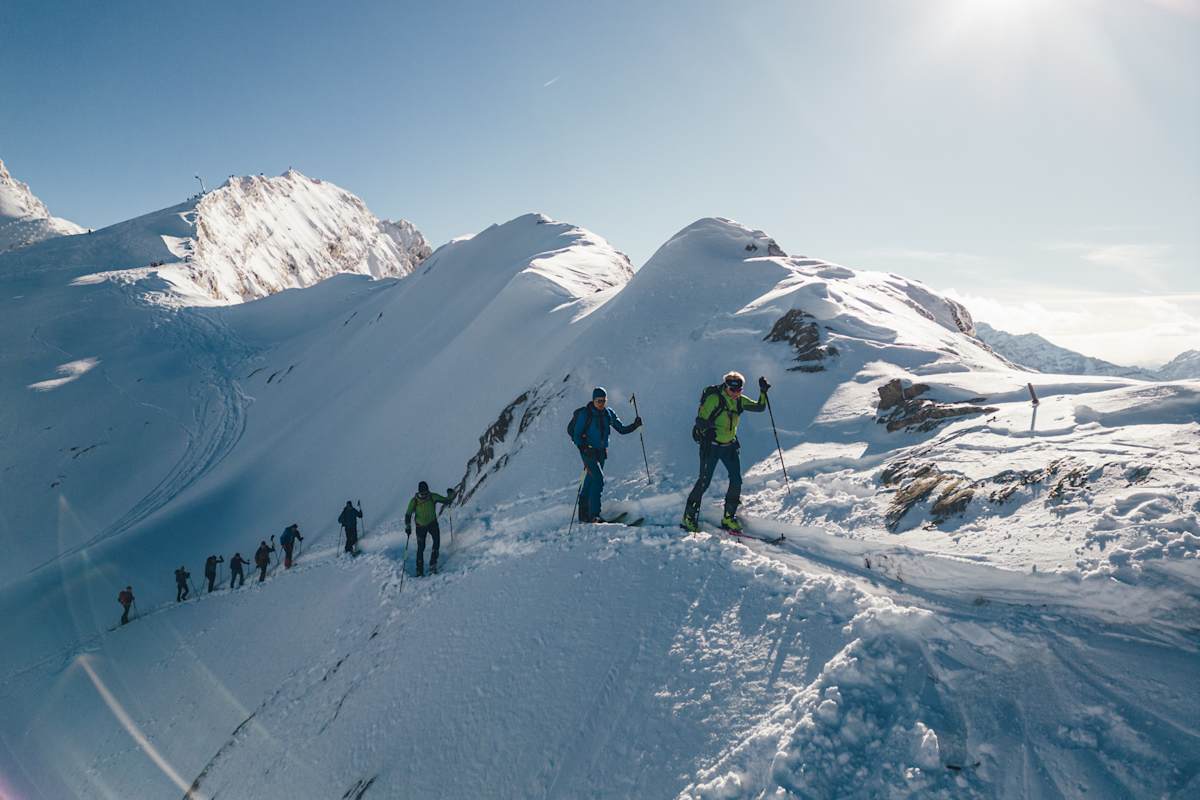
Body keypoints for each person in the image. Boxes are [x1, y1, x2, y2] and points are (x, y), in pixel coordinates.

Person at [681, 372, 771, 533]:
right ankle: (688, 517)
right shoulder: (714, 399)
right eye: (733, 389)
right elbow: (700, 420)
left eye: (739, 390)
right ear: (726, 386)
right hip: (711, 446)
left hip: (729, 446)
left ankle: (728, 517)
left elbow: (760, 407)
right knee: (704, 482)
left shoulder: (739, 401)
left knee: (736, 480)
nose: (736, 393)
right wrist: (706, 430)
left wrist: (763, 392)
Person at [568, 387, 642, 523]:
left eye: (603, 400)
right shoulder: (586, 414)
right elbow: (576, 435)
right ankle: (594, 515)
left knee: (590, 481)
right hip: (588, 453)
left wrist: (634, 425)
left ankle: (584, 515)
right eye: (598, 401)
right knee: (598, 480)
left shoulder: (608, 414)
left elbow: (621, 429)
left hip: (601, 453)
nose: (601, 403)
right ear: (593, 400)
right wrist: (584, 448)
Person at [405, 482, 454, 577]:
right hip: (425, 525)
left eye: (425, 492)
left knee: (433, 543)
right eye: (423, 493)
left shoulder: (423, 498)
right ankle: (423, 569)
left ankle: (429, 566)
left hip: (428, 525)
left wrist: (450, 495)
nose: (424, 494)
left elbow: (447, 501)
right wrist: (408, 526)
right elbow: (408, 514)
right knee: (423, 547)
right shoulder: (422, 499)